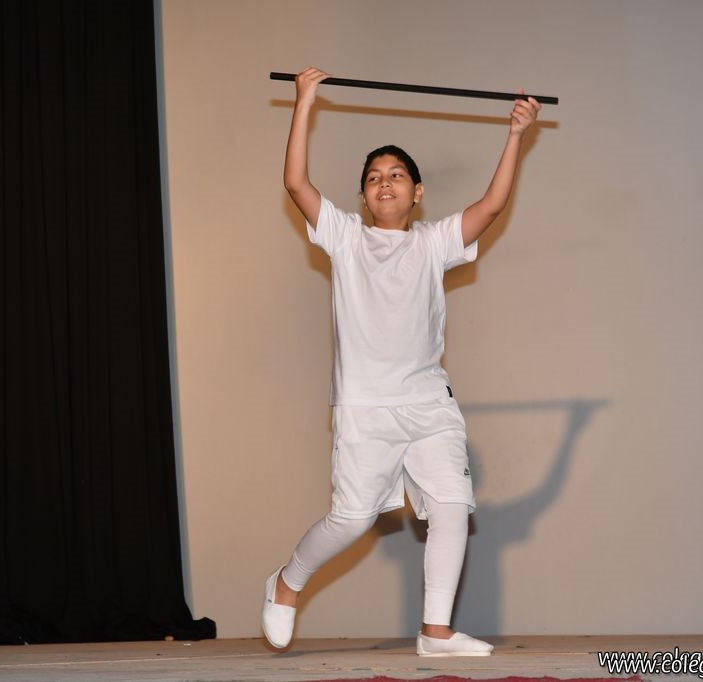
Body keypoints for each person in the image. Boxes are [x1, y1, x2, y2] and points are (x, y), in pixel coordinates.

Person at [263, 66, 541, 656]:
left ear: (417, 192)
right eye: (373, 177)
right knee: (352, 519)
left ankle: (435, 632)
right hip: (366, 409)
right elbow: (295, 182)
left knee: (452, 506)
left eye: (396, 175)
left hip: (428, 402)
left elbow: (491, 206)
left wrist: (516, 133)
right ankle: (286, 583)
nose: (383, 182)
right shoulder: (344, 237)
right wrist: (305, 101)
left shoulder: (433, 242)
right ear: (363, 197)